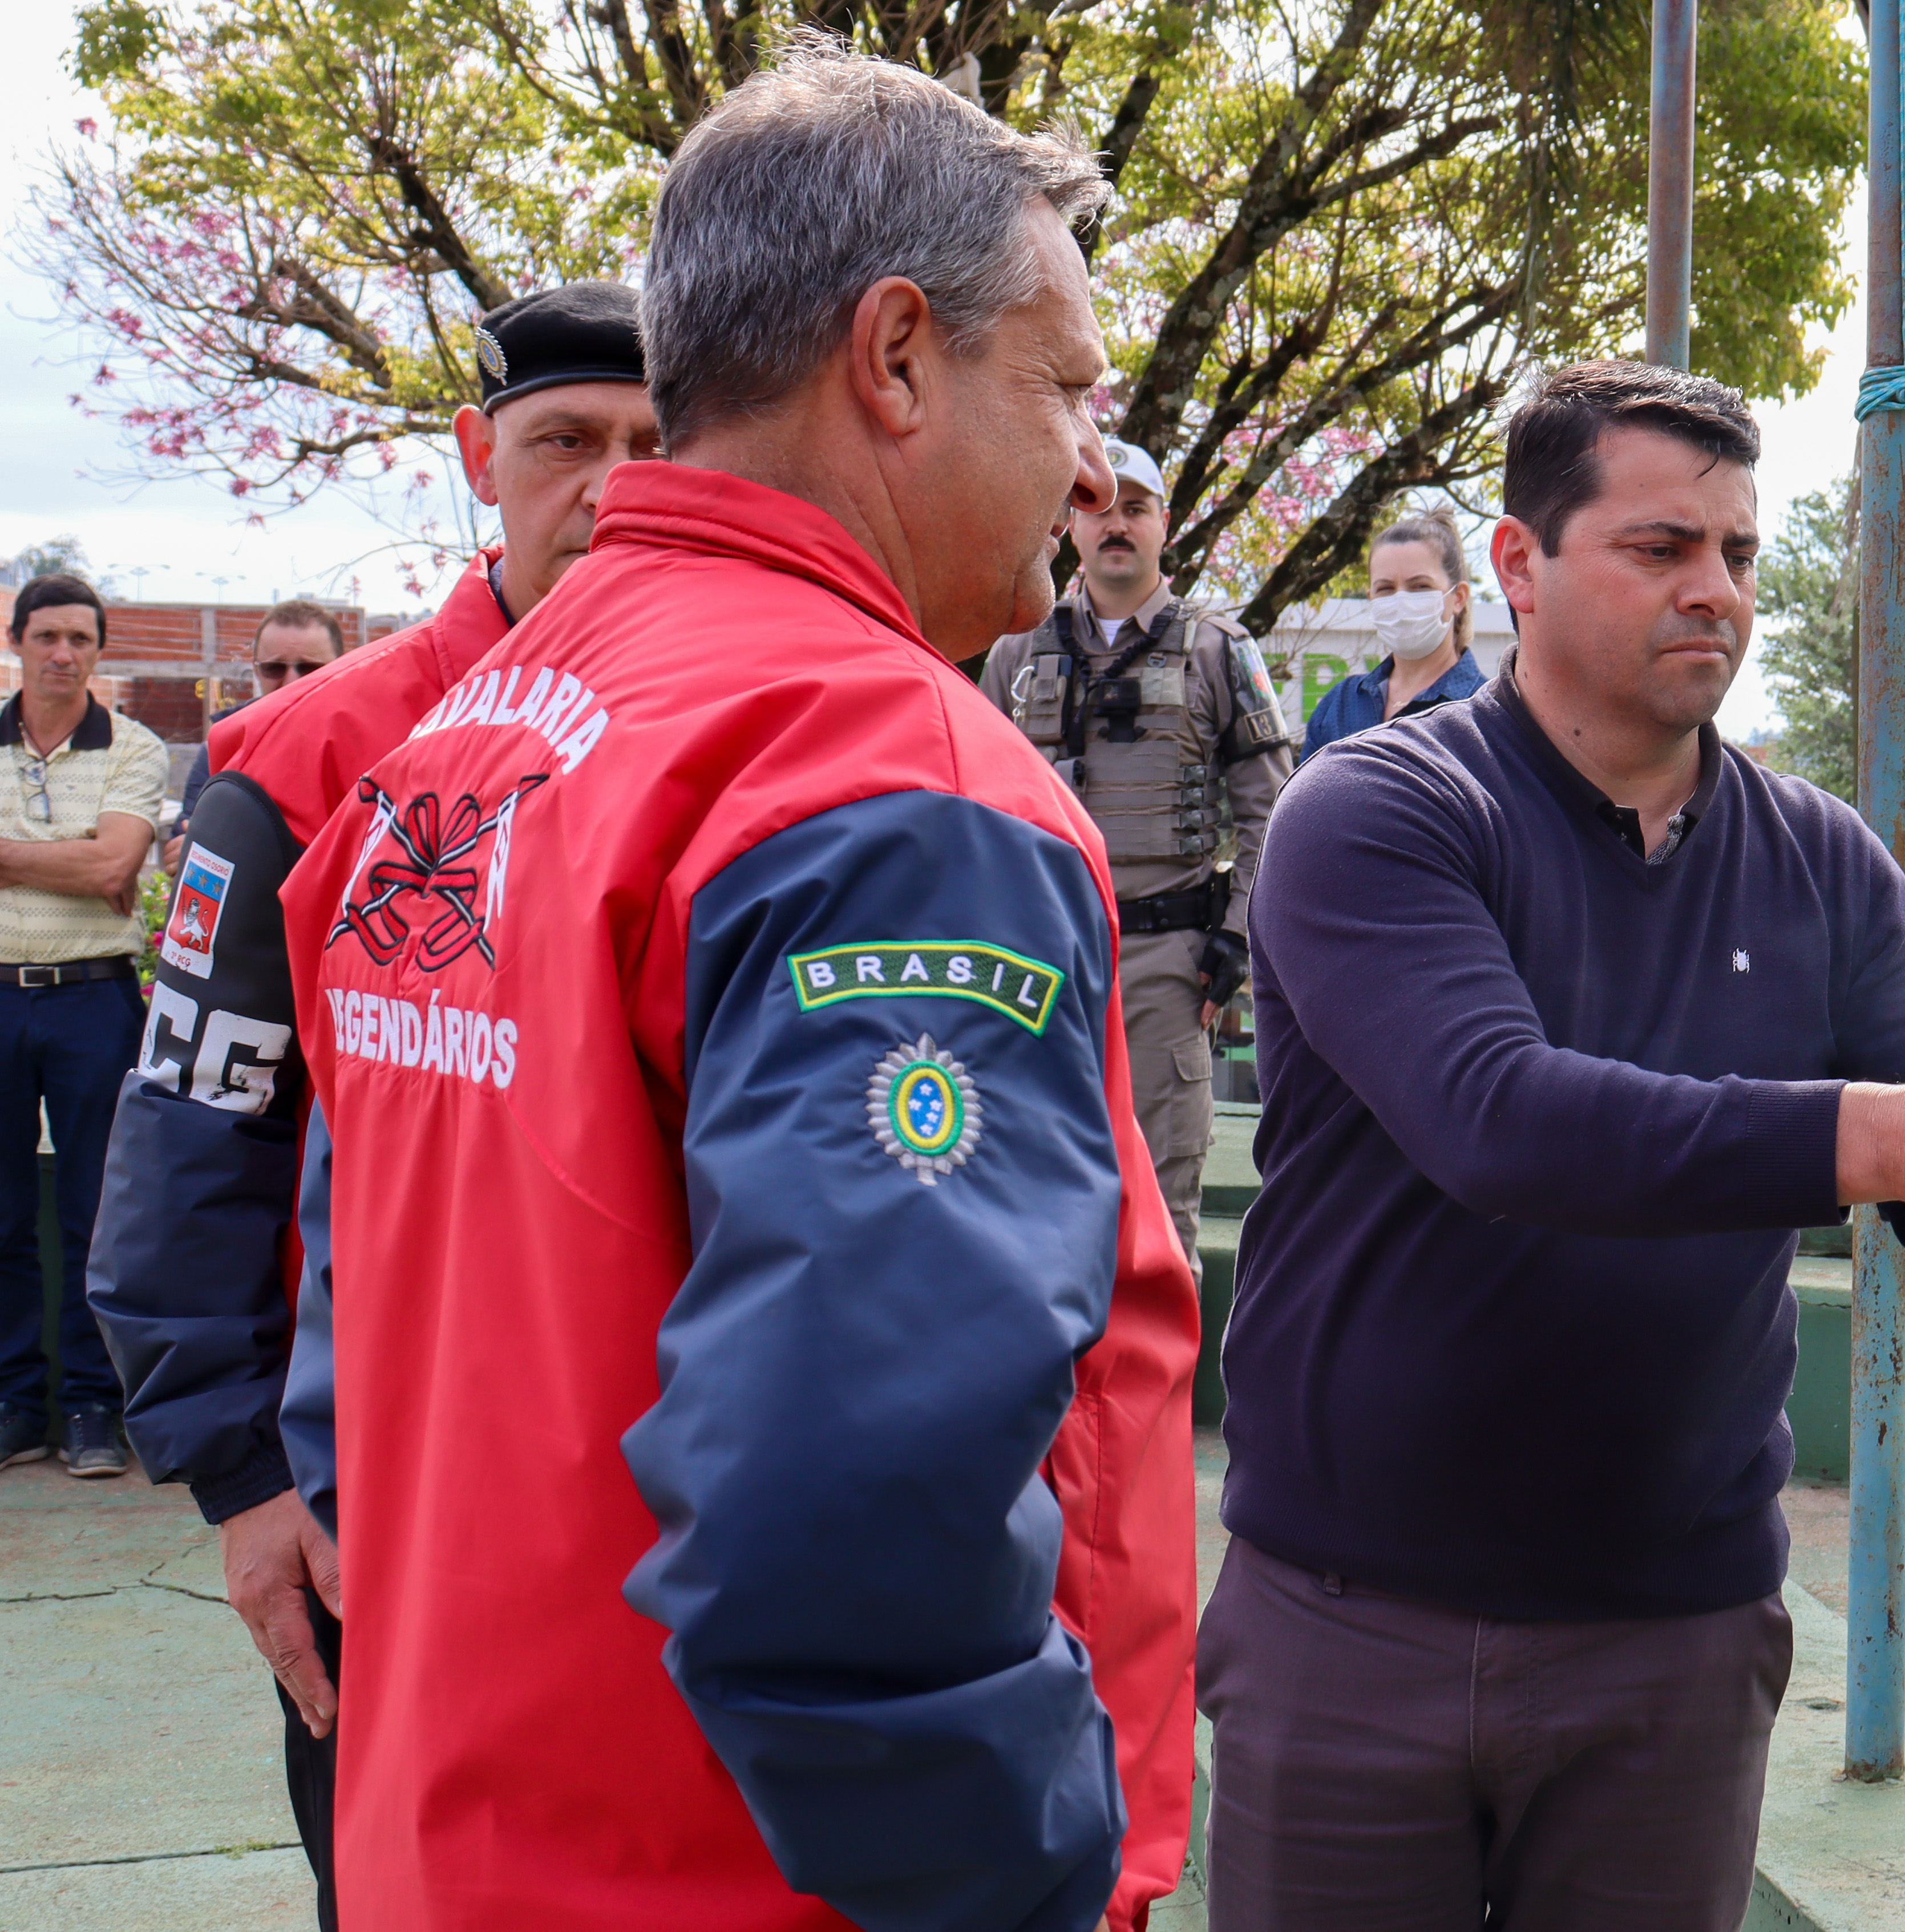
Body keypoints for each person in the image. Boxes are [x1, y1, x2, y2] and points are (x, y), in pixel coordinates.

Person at [271, 46, 1196, 1930]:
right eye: (1066, 384)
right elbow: (866, 1498)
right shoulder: (877, 772)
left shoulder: (466, 744)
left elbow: (361, 1310)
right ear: (897, 356)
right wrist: (1025, 1878)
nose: (1095, 467)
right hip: (741, 1874)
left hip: (462, 1833)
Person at [1202, 360, 1905, 1930]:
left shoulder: (1822, 860)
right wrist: (1881, 1134)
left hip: (1676, 1629)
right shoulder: (1374, 812)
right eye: (1660, 547)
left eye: (1737, 552)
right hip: (1354, 1617)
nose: (1714, 588)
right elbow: (1498, 1118)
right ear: (1519, 564)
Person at [88, 278, 659, 1930]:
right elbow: (195, 1124)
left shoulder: (736, 727)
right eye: (566, 441)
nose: (611, 487)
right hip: (379, 1506)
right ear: (480, 456)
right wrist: (242, 1481)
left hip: (653, 1492)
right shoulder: (304, 755)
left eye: (654, 445)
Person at [981, 435, 1294, 1274]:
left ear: (1165, 525)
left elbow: (1273, 811)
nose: (1116, 524)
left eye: (1137, 508)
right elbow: (976, 807)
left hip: (1166, 966)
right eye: (1099, 509)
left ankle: (1160, 1367)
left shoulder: (1220, 649)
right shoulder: (1016, 651)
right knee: (1030, 1197)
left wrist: (1236, 941)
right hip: (1041, 965)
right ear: (1072, 526)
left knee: (1158, 1208)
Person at [0, 574, 167, 1483]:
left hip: (93, 996)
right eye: (47, 636)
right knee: (2, 1209)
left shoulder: (134, 745)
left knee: (97, 1210)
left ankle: (92, 1404)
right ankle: (17, 1401)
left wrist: (12, 858)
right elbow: (95, 862)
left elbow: (115, 865)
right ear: (17, 641)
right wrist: (71, 859)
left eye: (81, 640)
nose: (63, 654)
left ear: (99, 651)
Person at [164, 601, 348, 870]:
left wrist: (227, 849)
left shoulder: (372, 746)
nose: (292, 682)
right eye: (275, 668)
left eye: (310, 668)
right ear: (257, 669)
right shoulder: (224, 745)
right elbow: (182, 850)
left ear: (342, 667)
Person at [1296, 505, 1487, 759]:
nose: (1401, 601)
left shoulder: (1486, 714)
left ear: (1459, 598)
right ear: (1371, 598)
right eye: (1385, 589)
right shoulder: (1340, 706)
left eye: (1420, 586)